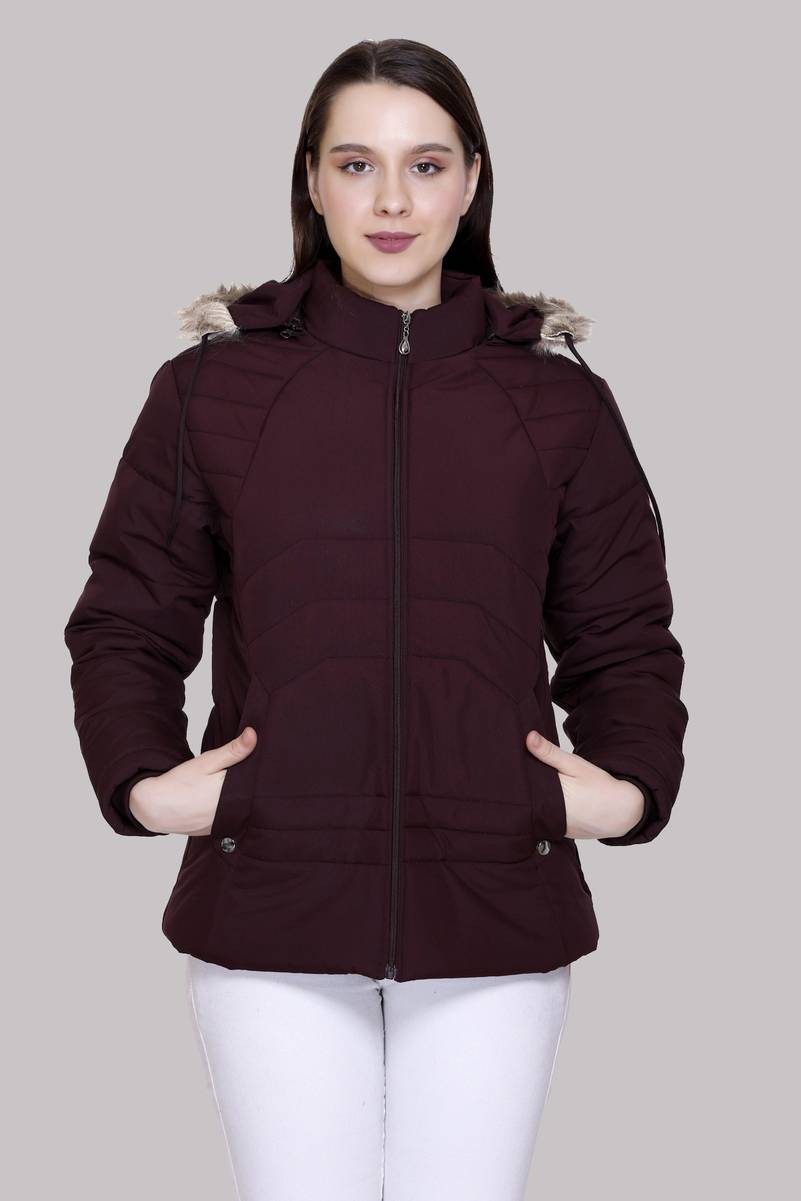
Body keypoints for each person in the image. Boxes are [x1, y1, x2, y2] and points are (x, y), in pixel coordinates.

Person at [64, 36, 689, 1201]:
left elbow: (624, 632)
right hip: (271, 896)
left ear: (473, 179)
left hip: (496, 898)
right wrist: (145, 781)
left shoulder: (556, 401)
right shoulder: (213, 389)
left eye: (426, 165)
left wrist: (629, 790)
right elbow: (127, 616)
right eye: (357, 165)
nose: (393, 201)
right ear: (312, 179)